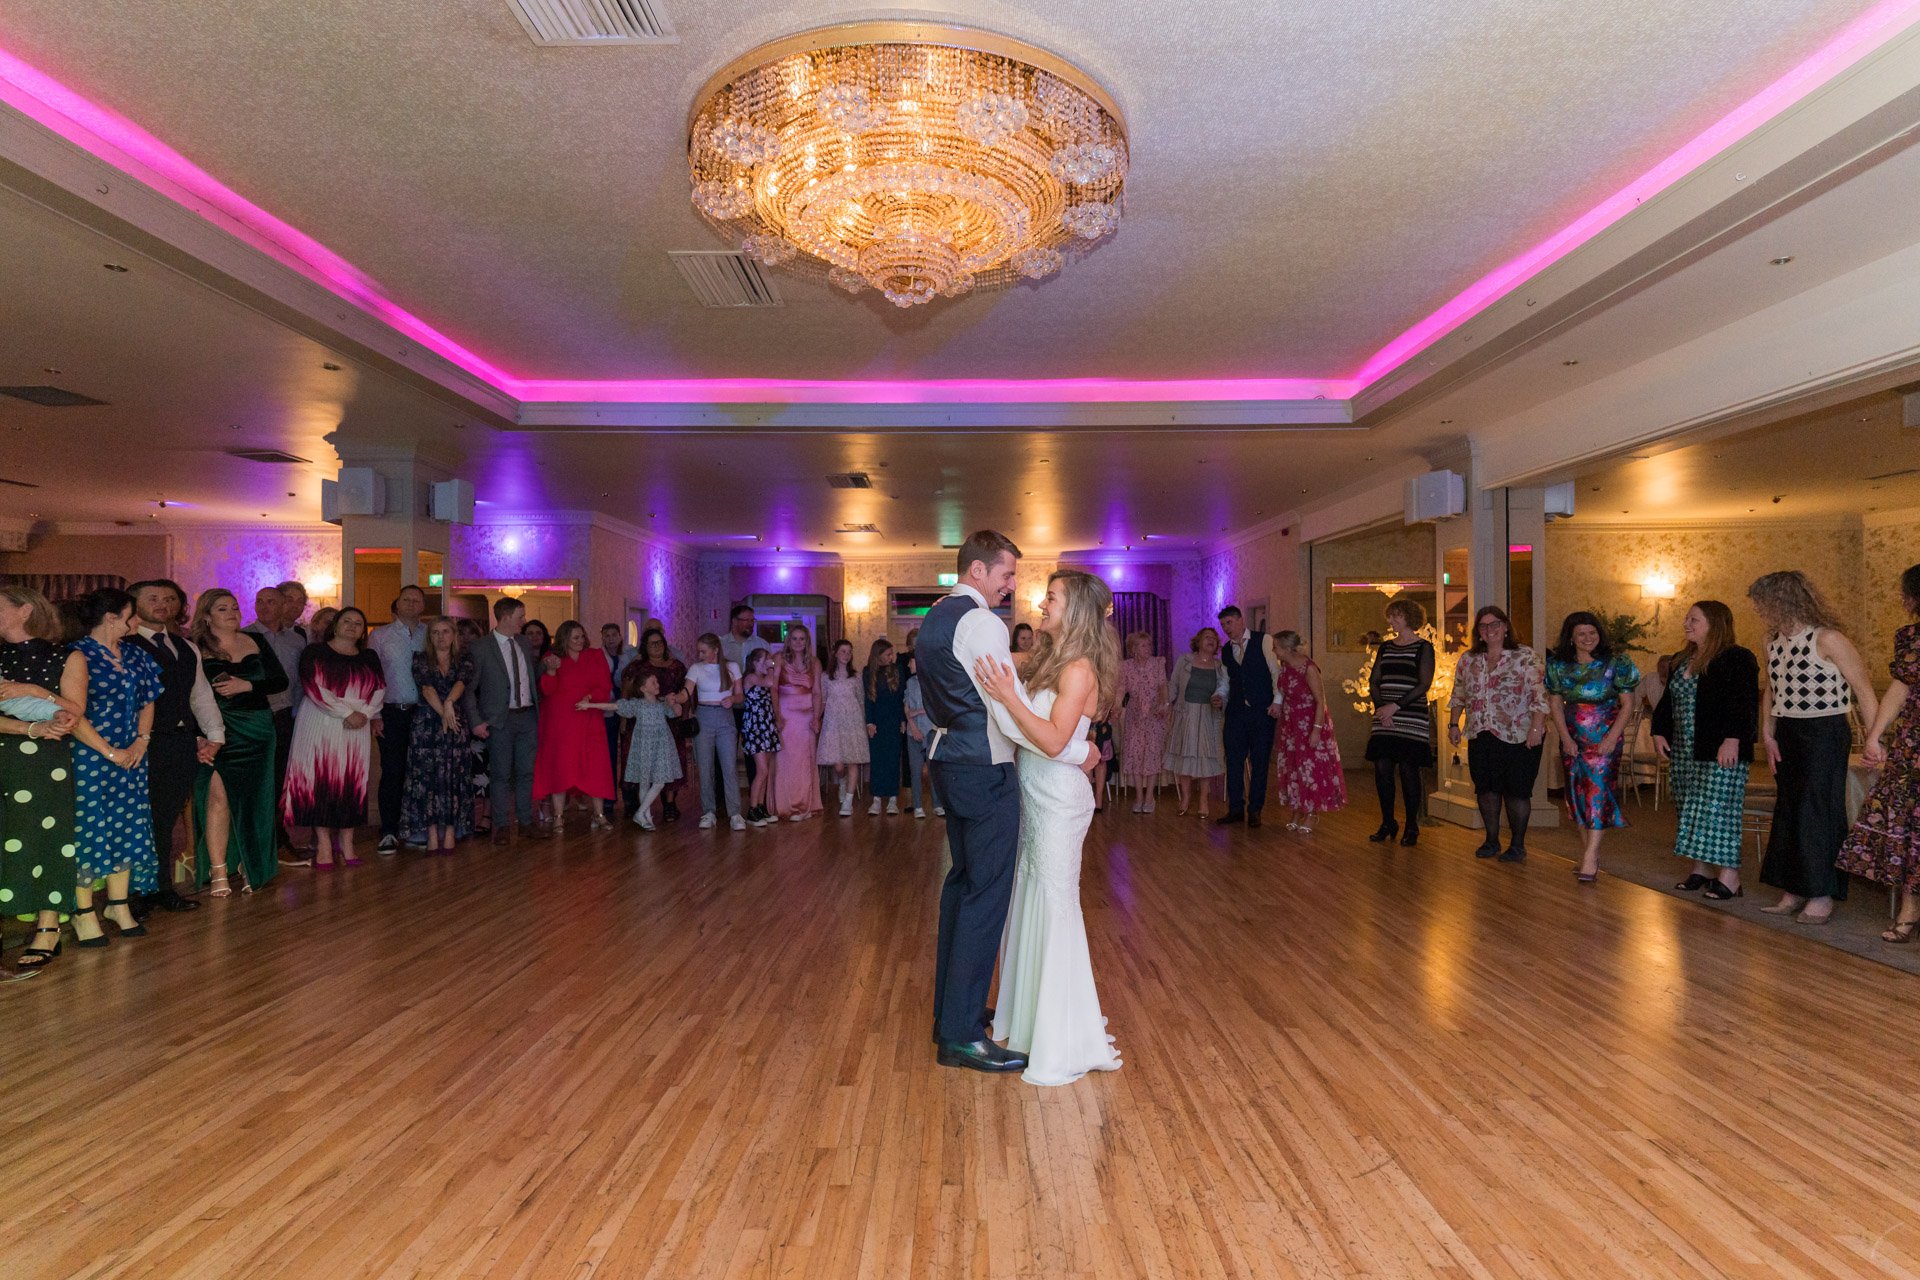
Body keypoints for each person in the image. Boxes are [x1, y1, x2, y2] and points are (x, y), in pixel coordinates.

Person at [923, 532, 1094, 1075]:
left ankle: (953, 1015)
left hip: (950, 759)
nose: (1013, 587)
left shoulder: (936, 616)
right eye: (1005, 575)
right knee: (984, 899)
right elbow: (1007, 712)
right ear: (977, 571)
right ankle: (962, 1035)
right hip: (985, 768)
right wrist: (1074, 750)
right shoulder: (980, 624)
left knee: (961, 889)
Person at [973, 568, 1124, 1086]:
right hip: (1035, 792)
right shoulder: (1051, 658)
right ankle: (1034, 1019)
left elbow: (1057, 741)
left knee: (1055, 905)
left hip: (1058, 799)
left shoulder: (1079, 668)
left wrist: (1010, 697)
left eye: (1052, 598)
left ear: (1076, 609)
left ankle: (1064, 1032)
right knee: (1032, 897)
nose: (1041, 604)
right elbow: (996, 663)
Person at [1749, 570, 1878, 924]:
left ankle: (1821, 893)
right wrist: (1768, 732)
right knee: (1790, 808)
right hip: (1787, 730)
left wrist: (1874, 738)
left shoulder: (1829, 639)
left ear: (1784, 600)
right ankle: (1793, 888)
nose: (1760, 610)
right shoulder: (1771, 640)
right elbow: (1772, 689)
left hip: (1825, 731)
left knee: (1817, 810)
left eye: (1763, 603)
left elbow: (1864, 691)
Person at [62, 587, 162, 945]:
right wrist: (109, 752)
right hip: (90, 756)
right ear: (111, 618)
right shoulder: (79, 654)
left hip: (132, 755)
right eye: (130, 615)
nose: (135, 621)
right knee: (89, 829)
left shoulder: (135, 655)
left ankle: (118, 906)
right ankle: (83, 911)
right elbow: (73, 713)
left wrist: (140, 741)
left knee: (128, 826)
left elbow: (148, 701)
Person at [1652, 601, 1759, 900]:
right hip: (1685, 747)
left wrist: (1733, 738)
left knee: (1717, 810)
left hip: (1720, 747)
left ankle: (1730, 877)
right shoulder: (1682, 659)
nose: (1687, 624)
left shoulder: (1736, 657)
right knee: (1688, 806)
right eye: (1687, 619)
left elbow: (1745, 702)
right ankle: (1701, 869)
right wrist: (1658, 730)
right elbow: (1668, 702)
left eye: (1694, 619)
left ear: (1715, 623)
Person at [126, 579, 220, 912]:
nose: (162, 604)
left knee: (165, 820)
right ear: (133, 604)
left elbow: (201, 695)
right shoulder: (125, 644)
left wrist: (215, 735)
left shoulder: (186, 646)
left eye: (169, 599)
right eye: (152, 598)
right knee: (139, 819)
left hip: (180, 743)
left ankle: (162, 888)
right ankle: (133, 895)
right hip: (142, 743)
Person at [1837, 564, 1920, 941]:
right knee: (1906, 824)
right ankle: (1908, 911)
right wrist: (1874, 736)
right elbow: (1899, 689)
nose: (1904, 601)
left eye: (1906, 593)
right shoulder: (1909, 637)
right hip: (1911, 745)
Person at [188, 588, 290, 895]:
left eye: (234, 608)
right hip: (218, 730)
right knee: (217, 797)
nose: (232, 613)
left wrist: (247, 684)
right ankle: (218, 870)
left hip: (258, 728)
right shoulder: (195, 646)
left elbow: (280, 681)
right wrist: (198, 734)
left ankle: (251, 862)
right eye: (222, 609)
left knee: (256, 799)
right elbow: (188, 694)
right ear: (206, 616)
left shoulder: (255, 640)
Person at [0, 586, 80, 970]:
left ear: (25, 610)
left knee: (46, 837)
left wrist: (33, 692)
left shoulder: (67, 656)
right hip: (15, 747)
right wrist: (28, 729)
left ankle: (49, 927)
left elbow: (74, 711)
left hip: (44, 763)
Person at [284, 608, 386, 867]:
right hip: (322, 719)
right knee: (322, 779)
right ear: (335, 625)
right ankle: (324, 846)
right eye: (347, 621)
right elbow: (314, 687)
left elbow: (379, 688)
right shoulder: (314, 652)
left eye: (358, 623)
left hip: (358, 723)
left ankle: (348, 843)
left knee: (351, 780)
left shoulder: (369, 656)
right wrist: (346, 712)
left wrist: (364, 713)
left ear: (363, 630)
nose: (352, 626)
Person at [1545, 610, 1640, 883]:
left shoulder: (1616, 663)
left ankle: (1590, 856)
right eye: (1582, 634)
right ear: (1571, 638)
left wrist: (1612, 738)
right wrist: (1565, 738)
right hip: (1572, 737)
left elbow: (1629, 704)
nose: (1588, 638)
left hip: (1605, 738)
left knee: (1598, 793)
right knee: (1576, 794)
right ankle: (1589, 851)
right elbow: (1555, 703)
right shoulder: (1558, 666)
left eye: (1593, 632)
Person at [1446, 605, 1547, 862]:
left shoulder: (1525, 656)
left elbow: (1540, 695)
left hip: (1520, 735)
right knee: (1486, 790)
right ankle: (1491, 840)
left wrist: (1537, 728)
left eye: (1495, 625)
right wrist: (1454, 723)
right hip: (1481, 732)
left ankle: (1517, 844)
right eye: (1483, 626)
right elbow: (1458, 693)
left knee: (1517, 791)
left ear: (1504, 627)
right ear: (1478, 631)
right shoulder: (1469, 659)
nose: (1489, 630)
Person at [468, 597, 541, 843]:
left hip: (527, 715)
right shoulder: (481, 647)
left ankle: (526, 821)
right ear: (506, 617)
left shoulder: (523, 642)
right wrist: (476, 720)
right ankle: (501, 825)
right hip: (500, 719)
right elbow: (469, 689)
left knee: (526, 772)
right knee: (500, 774)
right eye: (521, 616)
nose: (524, 621)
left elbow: (531, 677)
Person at [533, 620, 616, 834]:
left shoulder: (595, 656)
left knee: (595, 766)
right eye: (575, 638)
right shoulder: (553, 658)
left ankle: (598, 814)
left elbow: (604, 685)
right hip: (561, 723)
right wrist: (551, 671)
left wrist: (591, 697)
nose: (580, 641)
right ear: (564, 639)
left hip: (589, 718)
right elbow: (547, 690)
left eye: (581, 636)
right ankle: (558, 816)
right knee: (561, 766)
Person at [1366, 599, 1436, 848]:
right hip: (1384, 715)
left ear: (1409, 617)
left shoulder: (1423, 647)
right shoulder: (1385, 647)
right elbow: (1375, 681)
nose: (1392, 620)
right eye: (1390, 616)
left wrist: (1395, 707)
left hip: (1410, 715)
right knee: (1383, 768)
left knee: (1408, 770)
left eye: (1396, 616)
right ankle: (1388, 822)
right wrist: (1381, 709)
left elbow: (1424, 684)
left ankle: (1411, 825)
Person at [401, 617, 474, 852]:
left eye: (445, 631)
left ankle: (451, 832)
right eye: (435, 632)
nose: (440, 636)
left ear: (453, 635)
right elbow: (427, 688)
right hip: (427, 725)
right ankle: (431, 834)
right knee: (428, 778)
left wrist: (450, 704)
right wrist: (445, 713)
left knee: (453, 777)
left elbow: (461, 683)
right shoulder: (420, 659)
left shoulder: (464, 659)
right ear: (429, 636)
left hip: (455, 725)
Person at [243, 585, 306, 858]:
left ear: (284, 607)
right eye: (260, 601)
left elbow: (301, 681)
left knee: (281, 778)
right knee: (255, 778)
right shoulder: (244, 636)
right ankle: (253, 839)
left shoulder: (297, 640)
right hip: (254, 715)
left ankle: (277, 836)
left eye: (271, 602)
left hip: (285, 716)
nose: (264, 606)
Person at [582, 667, 682, 831]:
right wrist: (590, 705)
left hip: (661, 747)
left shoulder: (662, 704)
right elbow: (612, 707)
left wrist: (673, 704)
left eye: (656, 681)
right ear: (643, 689)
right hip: (643, 747)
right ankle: (646, 817)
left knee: (659, 782)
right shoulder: (637, 705)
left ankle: (640, 812)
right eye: (653, 682)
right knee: (644, 783)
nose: (657, 684)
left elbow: (676, 712)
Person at [370, 585, 429, 853]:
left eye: (417, 600)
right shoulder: (379, 636)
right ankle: (389, 831)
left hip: (425, 713)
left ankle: (417, 827)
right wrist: (375, 715)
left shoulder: (430, 634)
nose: (411, 604)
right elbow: (371, 678)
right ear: (397, 603)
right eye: (406, 599)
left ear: (423, 606)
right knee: (393, 772)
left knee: (421, 772)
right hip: (392, 712)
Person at [1272, 630, 1347, 834]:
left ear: (1287, 648)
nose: (1274, 651)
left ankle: (1312, 812)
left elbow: (1320, 700)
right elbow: (1283, 692)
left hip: (1309, 722)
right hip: (1291, 724)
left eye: (1276, 647)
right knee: (1293, 766)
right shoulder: (1285, 668)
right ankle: (1297, 809)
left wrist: (1316, 730)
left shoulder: (1309, 668)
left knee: (1310, 768)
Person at [1215, 605, 1283, 828]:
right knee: (1233, 761)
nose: (1226, 628)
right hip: (1235, 713)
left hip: (1262, 711)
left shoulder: (1264, 641)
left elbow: (1276, 673)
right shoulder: (1226, 650)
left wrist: (1277, 701)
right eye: (1223, 625)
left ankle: (1255, 809)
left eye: (1229, 623)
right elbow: (1225, 682)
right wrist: (1219, 696)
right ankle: (1235, 808)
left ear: (1241, 620)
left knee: (1260, 761)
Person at [1163, 627, 1228, 818]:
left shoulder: (1219, 666)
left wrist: (1219, 699)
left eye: (1214, 639)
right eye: (1207, 637)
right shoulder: (1184, 661)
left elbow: (1224, 689)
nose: (1211, 641)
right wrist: (1166, 704)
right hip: (1186, 714)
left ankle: (1203, 801)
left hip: (1208, 716)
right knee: (1186, 757)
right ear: (1198, 641)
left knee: (1205, 759)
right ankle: (1185, 798)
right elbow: (1173, 685)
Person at [683, 633, 745, 831]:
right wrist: (676, 698)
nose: (700, 654)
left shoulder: (731, 667)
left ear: (715, 650)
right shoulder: (696, 668)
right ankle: (708, 812)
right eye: (699, 651)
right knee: (705, 767)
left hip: (725, 717)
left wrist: (732, 700)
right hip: (704, 716)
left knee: (729, 767)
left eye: (703, 651)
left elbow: (740, 695)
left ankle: (735, 813)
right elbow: (687, 692)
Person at [630, 627, 691, 822]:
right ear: (645, 647)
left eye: (660, 643)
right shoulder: (639, 667)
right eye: (652, 643)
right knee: (648, 766)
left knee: (671, 763)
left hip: (672, 720)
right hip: (647, 722)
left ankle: (670, 803)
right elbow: (627, 691)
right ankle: (644, 808)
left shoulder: (678, 666)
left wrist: (682, 714)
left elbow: (687, 692)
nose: (656, 647)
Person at [771, 625, 823, 821]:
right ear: (788, 640)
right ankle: (786, 805)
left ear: (807, 641)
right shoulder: (779, 659)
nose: (798, 642)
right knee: (786, 759)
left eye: (802, 639)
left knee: (804, 760)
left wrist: (816, 717)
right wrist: (777, 715)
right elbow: (773, 689)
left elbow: (817, 692)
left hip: (806, 716)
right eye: (794, 638)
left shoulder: (815, 663)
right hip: (785, 714)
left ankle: (804, 806)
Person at [1117, 631, 1170, 814]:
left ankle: (1149, 797)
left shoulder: (1157, 663)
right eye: (1143, 645)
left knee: (1152, 754)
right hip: (1135, 714)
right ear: (1133, 649)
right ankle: (1139, 796)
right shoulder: (1126, 666)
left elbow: (1163, 686)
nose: (1147, 648)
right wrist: (1116, 706)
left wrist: (1163, 704)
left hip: (1155, 713)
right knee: (1135, 754)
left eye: (1148, 645)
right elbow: (1121, 689)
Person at [720, 604, 771, 788]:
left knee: (754, 756)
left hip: (754, 710)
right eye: (746, 620)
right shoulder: (721, 644)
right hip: (728, 708)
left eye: (752, 620)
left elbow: (770, 673)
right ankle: (723, 803)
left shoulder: (762, 645)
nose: (750, 624)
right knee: (725, 755)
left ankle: (755, 801)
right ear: (734, 622)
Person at [818, 638, 870, 817]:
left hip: (853, 721)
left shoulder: (856, 676)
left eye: (849, 652)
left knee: (853, 760)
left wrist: (864, 722)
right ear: (835, 653)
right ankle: (842, 781)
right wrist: (817, 718)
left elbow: (861, 700)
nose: (846, 655)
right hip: (834, 721)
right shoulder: (825, 677)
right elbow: (823, 700)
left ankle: (848, 800)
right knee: (839, 764)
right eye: (843, 651)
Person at [864, 639, 906, 815]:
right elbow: (868, 699)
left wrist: (902, 719)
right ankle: (876, 799)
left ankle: (892, 799)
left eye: (892, 653)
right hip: (877, 722)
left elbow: (901, 698)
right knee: (878, 760)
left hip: (893, 721)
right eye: (888, 654)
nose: (892, 657)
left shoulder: (897, 670)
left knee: (893, 759)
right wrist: (870, 721)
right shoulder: (868, 672)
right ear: (878, 655)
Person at [740, 648, 781, 826]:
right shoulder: (751, 678)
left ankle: (761, 806)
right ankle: (752, 810)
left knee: (766, 771)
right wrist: (772, 666)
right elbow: (770, 682)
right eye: (765, 660)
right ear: (755, 662)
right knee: (762, 770)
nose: (768, 663)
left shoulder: (761, 678)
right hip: (755, 727)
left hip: (766, 725)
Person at [597, 622, 637, 806]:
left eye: (614, 634)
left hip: (629, 708)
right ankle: (608, 798)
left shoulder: (630, 655)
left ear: (620, 636)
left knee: (630, 754)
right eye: (606, 635)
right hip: (608, 709)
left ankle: (631, 797)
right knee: (609, 753)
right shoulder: (598, 657)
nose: (610, 638)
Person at [903, 653, 943, 818]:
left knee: (934, 770)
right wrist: (913, 726)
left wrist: (918, 712)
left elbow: (936, 707)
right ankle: (918, 805)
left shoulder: (933, 682)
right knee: (915, 770)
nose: (908, 665)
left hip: (931, 731)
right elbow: (907, 709)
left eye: (910, 662)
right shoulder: (910, 683)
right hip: (914, 733)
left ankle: (937, 804)